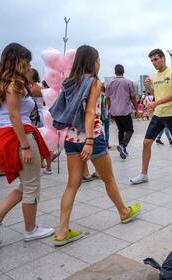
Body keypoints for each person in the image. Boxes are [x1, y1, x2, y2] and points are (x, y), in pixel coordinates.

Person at [50, 45, 141, 246]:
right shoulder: (94, 82)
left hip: (71, 139)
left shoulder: (70, 82)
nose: (99, 63)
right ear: (92, 61)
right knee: (109, 180)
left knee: (72, 185)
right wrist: (90, 141)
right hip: (93, 139)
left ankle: (62, 232)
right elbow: (91, 112)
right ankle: (124, 212)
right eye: (98, 59)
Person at [0, 43, 55, 244]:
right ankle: (30, 229)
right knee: (32, 185)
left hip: (6, 136)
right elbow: (15, 115)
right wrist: (25, 146)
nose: (29, 64)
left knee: (25, 185)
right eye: (27, 60)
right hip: (19, 135)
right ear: (19, 60)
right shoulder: (15, 83)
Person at [130, 48, 172, 185]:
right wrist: (150, 87)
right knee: (146, 142)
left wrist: (155, 103)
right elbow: (157, 94)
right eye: (152, 60)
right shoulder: (155, 76)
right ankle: (143, 174)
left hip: (171, 114)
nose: (154, 62)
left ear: (163, 58)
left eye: (156, 59)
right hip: (158, 114)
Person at [105, 64, 138, 160]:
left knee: (121, 130)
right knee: (130, 130)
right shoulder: (128, 82)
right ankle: (123, 146)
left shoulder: (109, 84)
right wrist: (137, 108)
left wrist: (110, 110)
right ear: (123, 71)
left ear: (115, 72)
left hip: (115, 112)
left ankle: (122, 151)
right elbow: (133, 97)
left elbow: (107, 99)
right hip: (125, 111)